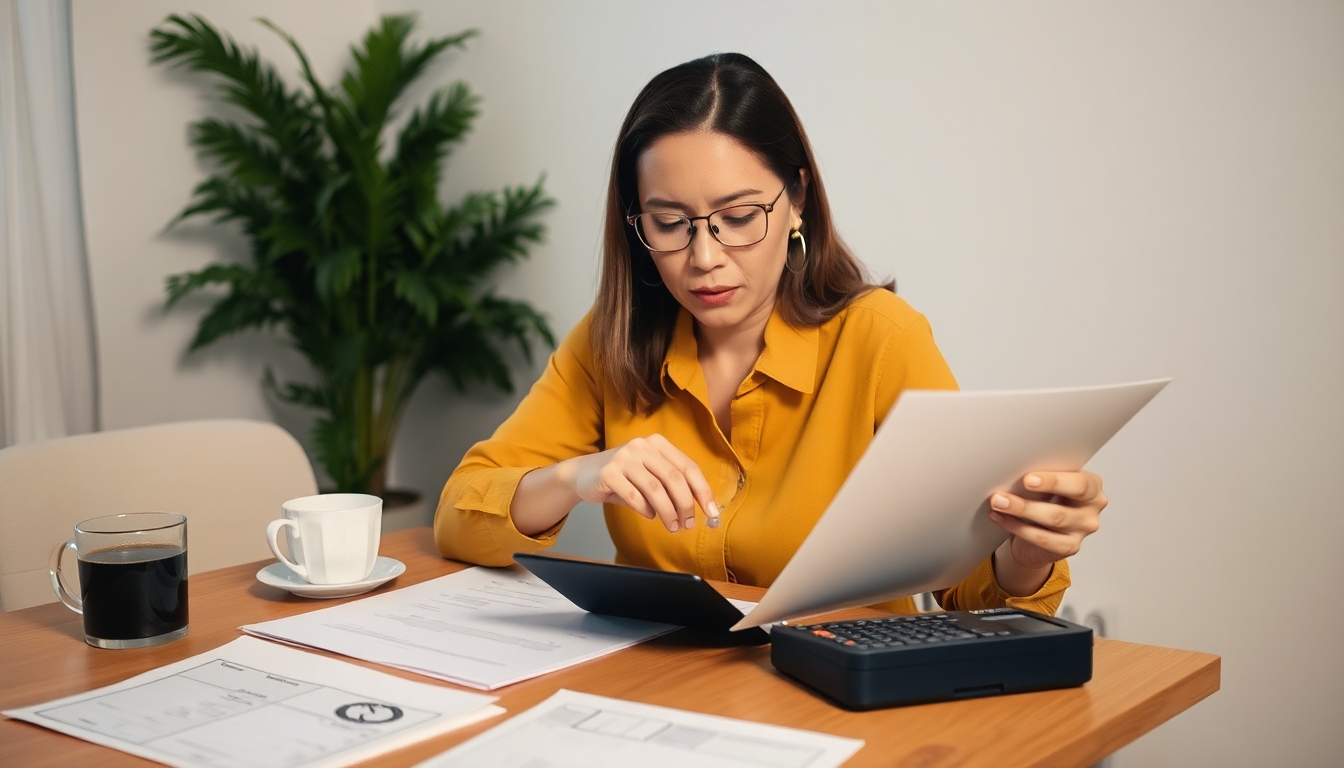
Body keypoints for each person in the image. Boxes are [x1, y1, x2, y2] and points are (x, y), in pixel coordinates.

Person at [434, 53, 1106, 616]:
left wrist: (1027, 554)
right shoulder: (611, 340)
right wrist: (579, 476)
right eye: (670, 222)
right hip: (653, 692)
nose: (704, 257)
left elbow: (970, 596)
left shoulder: (880, 340)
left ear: (797, 201)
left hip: (838, 700)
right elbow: (461, 515)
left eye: (738, 215)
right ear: (637, 225)